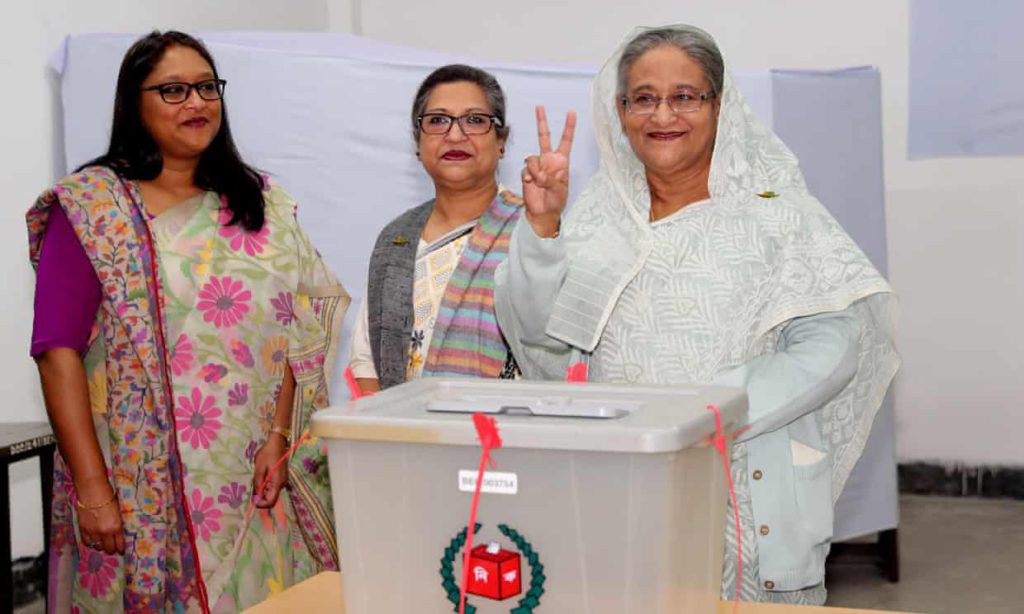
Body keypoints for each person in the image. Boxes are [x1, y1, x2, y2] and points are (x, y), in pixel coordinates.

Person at [496, 25, 899, 604]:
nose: (664, 114)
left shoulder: (776, 213)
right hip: (620, 487)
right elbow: (539, 340)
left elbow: (834, 344)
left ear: (720, 104)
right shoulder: (593, 219)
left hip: (744, 486)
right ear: (621, 110)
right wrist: (541, 228)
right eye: (644, 97)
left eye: (685, 95)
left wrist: (706, 408)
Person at [27, 31, 348, 612]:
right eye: (173, 90)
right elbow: (57, 352)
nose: (195, 103)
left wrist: (278, 439)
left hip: (254, 483)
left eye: (206, 87)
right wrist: (94, 490)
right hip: (136, 486)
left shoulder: (262, 202)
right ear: (135, 103)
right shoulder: (92, 208)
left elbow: (302, 329)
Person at [348, 64, 522, 393]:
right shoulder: (396, 239)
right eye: (438, 120)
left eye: (475, 120)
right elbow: (367, 359)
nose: (455, 135)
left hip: (501, 436)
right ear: (418, 142)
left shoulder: (532, 232)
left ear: (501, 142)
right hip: (400, 436)